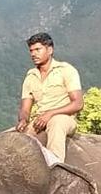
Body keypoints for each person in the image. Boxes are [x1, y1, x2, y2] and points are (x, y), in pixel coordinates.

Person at [16, 32, 84, 163]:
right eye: (31, 51)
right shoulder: (31, 76)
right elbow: (25, 108)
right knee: (16, 140)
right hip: (39, 120)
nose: (33, 54)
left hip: (64, 118)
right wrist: (23, 120)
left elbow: (78, 104)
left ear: (50, 50)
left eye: (38, 49)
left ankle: (55, 165)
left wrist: (50, 114)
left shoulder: (66, 70)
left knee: (56, 123)